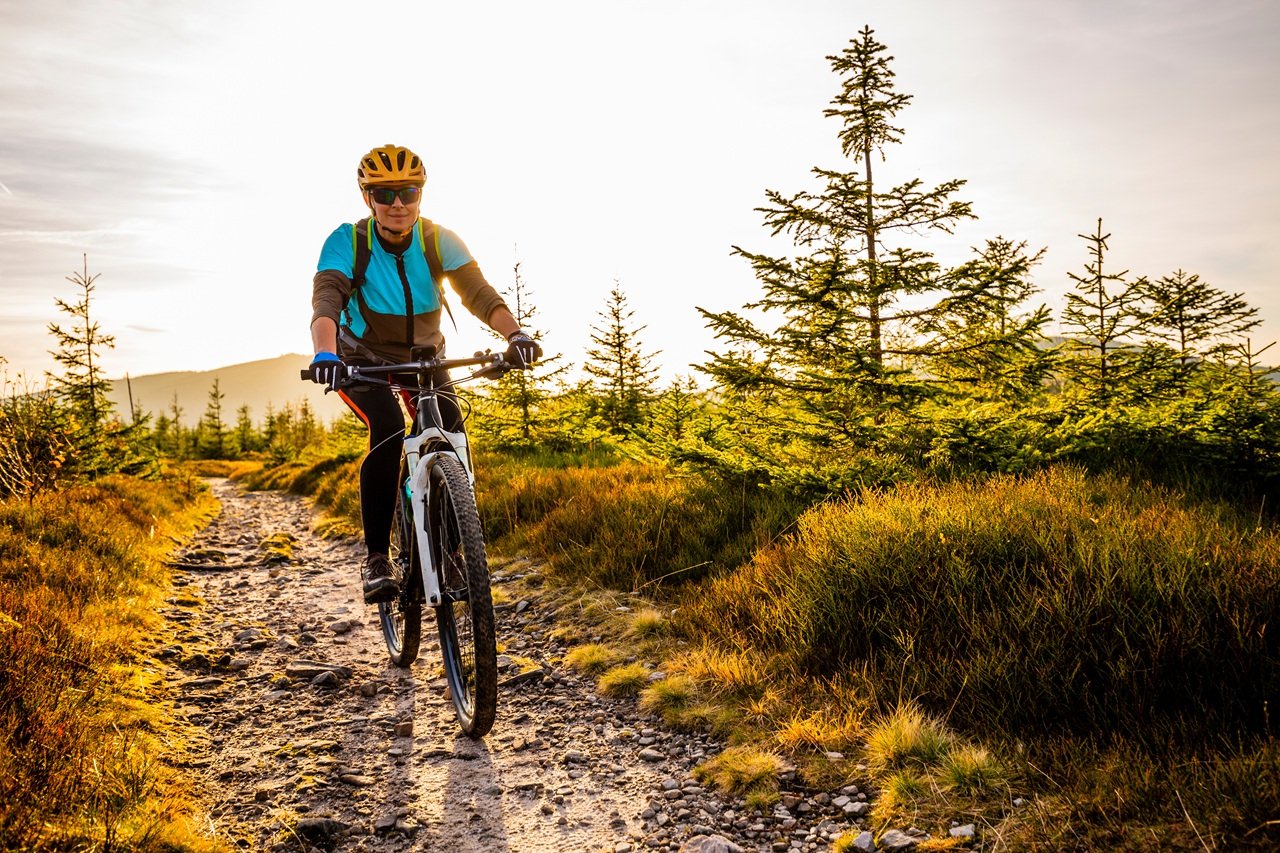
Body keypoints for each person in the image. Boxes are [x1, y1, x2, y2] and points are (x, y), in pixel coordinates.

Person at [307, 143, 541, 604]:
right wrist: (325, 354)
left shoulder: (438, 239)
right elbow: (327, 299)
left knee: (450, 429)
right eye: (385, 194)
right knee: (389, 428)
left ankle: (450, 550)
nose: (398, 204)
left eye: (408, 192)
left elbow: (478, 292)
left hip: (424, 357)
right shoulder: (348, 241)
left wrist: (515, 334)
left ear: (420, 194)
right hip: (361, 359)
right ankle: (378, 558)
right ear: (368, 198)